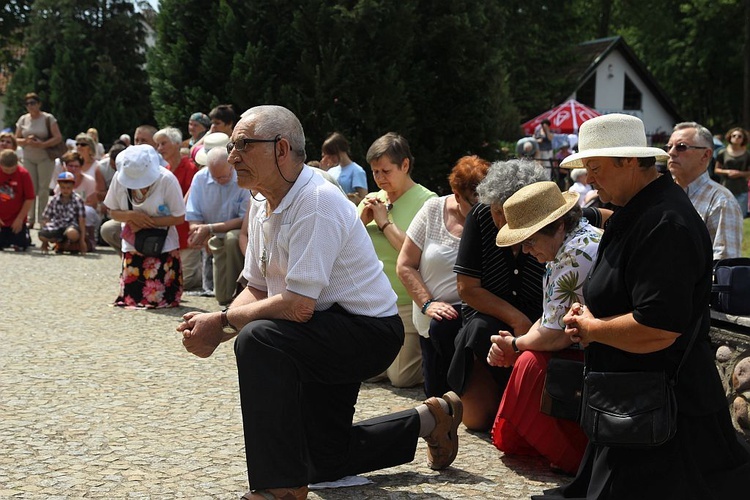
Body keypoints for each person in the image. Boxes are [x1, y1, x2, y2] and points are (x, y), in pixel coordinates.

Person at [179, 105, 463, 500]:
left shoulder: (316, 200)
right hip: (321, 329)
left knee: (257, 339)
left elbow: (297, 306)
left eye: (242, 144)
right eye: (231, 145)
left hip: (365, 332)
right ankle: (429, 420)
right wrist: (217, 322)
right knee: (323, 460)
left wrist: (225, 324)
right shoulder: (262, 200)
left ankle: (279, 487)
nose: (232, 155)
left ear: (281, 149)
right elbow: (258, 288)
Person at [535, 113, 750, 500]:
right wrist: (589, 318)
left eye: (596, 168)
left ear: (630, 161)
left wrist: (592, 328)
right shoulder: (636, 211)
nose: (589, 178)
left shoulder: (665, 223)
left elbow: (658, 328)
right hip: (632, 408)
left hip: (664, 417)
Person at [486, 181, 600, 474]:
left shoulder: (576, 253)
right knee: (527, 355)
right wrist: (518, 342)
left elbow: (555, 336)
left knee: (529, 363)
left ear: (558, 226)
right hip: (583, 342)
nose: (525, 251)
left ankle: (572, 454)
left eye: (529, 241)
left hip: (598, 349)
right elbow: (551, 315)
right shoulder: (566, 245)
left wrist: (514, 345)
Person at [447, 160, 549, 431]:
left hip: (540, 321)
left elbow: (599, 218)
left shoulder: (551, 217)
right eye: (496, 212)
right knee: (476, 420)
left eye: (509, 213)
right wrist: (517, 321)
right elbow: (467, 288)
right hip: (487, 321)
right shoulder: (479, 217)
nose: (501, 221)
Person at [396, 155, 489, 397]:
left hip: (474, 317)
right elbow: (405, 265)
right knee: (436, 397)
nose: (482, 211)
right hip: (434, 320)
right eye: (474, 204)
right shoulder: (433, 210)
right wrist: (427, 303)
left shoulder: (491, 217)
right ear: (457, 196)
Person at [360, 132, 437, 388]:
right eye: (374, 172)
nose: (380, 179)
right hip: (372, 303)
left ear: (405, 165)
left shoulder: (428, 202)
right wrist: (361, 220)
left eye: (386, 171)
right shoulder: (372, 199)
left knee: (401, 378)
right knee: (368, 372)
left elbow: (415, 254)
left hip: (406, 302)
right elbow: (346, 244)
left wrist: (383, 222)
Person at [103, 144, 185, 309]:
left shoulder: (167, 179)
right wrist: (131, 216)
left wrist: (145, 223)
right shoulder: (119, 179)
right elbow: (112, 211)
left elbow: (179, 217)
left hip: (163, 244)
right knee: (133, 296)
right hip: (133, 243)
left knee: (161, 299)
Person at [667, 122, 743, 260]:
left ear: (705, 155)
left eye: (681, 147)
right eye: (669, 146)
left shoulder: (722, 202)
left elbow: (723, 265)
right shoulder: (661, 192)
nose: (671, 152)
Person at [186, 147, 251, 305]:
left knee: (231, 238)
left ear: (231, 166)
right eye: (215, 177)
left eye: (223, 176)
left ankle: (241, 290)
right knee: (222, 298)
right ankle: (229, 293)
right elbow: (193, 217)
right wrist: (198, 233)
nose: (220, 181)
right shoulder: (200, 178)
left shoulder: (243, 177)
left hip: (236, 234)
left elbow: (245, 219)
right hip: (214, 237)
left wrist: (210, 228)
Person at [154, 127, 200, 289]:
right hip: (166, 231)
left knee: (181, 283)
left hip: (185, 232)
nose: (159, 148)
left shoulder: (191, 169)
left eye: (163, 143)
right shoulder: (163, 171)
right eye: (158, 144)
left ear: (177, 144)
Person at [14, 92, 63, 228]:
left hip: (45, 157)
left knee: (43, 189)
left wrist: (42, 144)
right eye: (27, 104)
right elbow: (15, 139)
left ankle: (42, 218)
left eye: (33, 103)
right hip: (28, 157)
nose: (30, 106)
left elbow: (57, 137)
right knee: (30, 189)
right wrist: (26, 141)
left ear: (39, 104)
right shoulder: (23, 119)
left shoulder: (48, 118)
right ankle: (30, 218)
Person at [38, 172, 87, 255]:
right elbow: (46, 218)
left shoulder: (77, 200)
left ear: (72, 187)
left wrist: (82, 241)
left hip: (71, 225)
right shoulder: (54, 199)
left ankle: (70, 242)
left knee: (72, 233)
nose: (65, 190)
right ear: (59, 186)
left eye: (68, 188)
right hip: (57, 225)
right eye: (63, 188)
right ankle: (59, 241)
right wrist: (45, 241)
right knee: (42, 235)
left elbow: (81, 220)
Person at [0, 149, 34, 251]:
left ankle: (25, 234)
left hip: (16, 220)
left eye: (12, 169)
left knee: (20, 244)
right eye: (6, 170)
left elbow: (29, 198)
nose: (9, 172)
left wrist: (20, 219)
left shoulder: (23, 174)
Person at [322, 132, 368, 205]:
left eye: (331, 155)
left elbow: (364, 199)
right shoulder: (331, 171)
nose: (329, 159)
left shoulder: (356, 170)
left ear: (339, 151)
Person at [714, 127, 749, 217]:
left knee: (740, 216)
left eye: (739, 136)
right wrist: (728, 172)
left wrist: (739, 173)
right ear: (729, 137)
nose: (736, 137)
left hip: (742, 189)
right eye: (734, 135)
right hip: (725, 188)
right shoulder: (722, 153)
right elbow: (716, 170)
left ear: (743, 139)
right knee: (725, 216)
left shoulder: (747, 154)